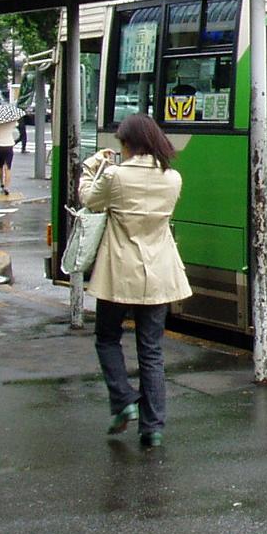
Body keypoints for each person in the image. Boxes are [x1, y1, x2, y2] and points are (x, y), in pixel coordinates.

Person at [78, 113, 191, 449]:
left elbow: (88, 200)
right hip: (159, 272)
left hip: (118, 271)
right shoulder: (172, 178)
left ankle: (124, 397)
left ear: (127, 144)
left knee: (108, 337)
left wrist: (91, 167)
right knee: (152, 350)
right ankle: (153, 427)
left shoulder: (115, 175)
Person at [0, 112, 19, 195]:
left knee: (0, 166)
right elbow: (16, 124)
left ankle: (1, 183)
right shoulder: (12, 122)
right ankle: (7, 187)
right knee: (8, 167)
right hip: (9, 146)